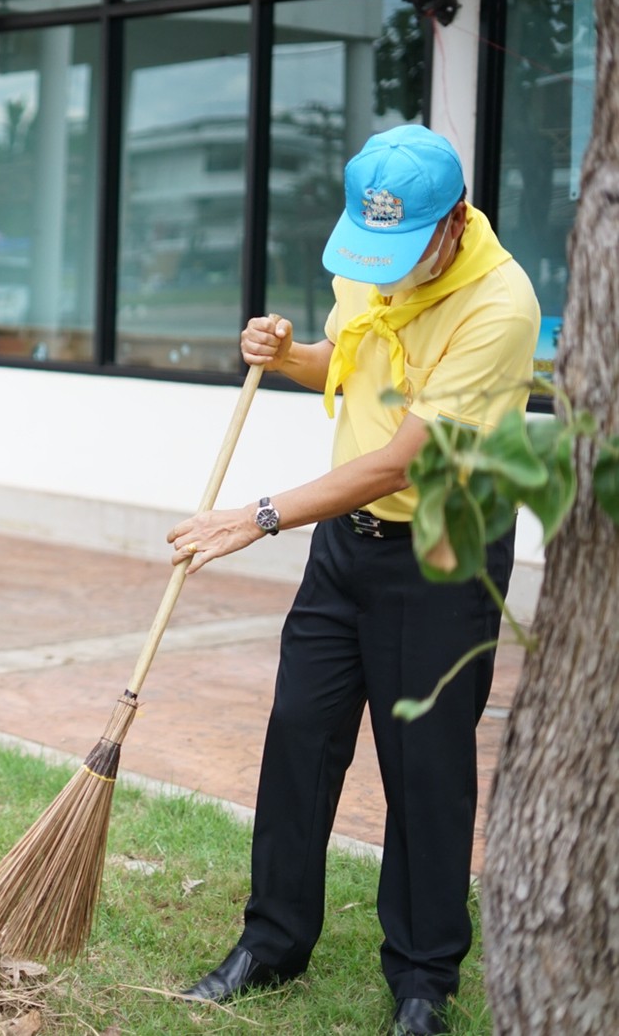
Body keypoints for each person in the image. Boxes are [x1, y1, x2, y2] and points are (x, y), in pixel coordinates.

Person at [166, 125, 537, 1036]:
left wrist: (254, 516)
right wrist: (284, 352)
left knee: (426, 765)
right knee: (300, 733)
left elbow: (400, 460)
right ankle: (274, 939)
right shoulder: (371, 264)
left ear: (452, 224)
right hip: (347, 545)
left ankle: (422, 979)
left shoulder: (500, 304)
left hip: (445, 551)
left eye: (406, 249)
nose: (388, 270)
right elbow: (352, 366)